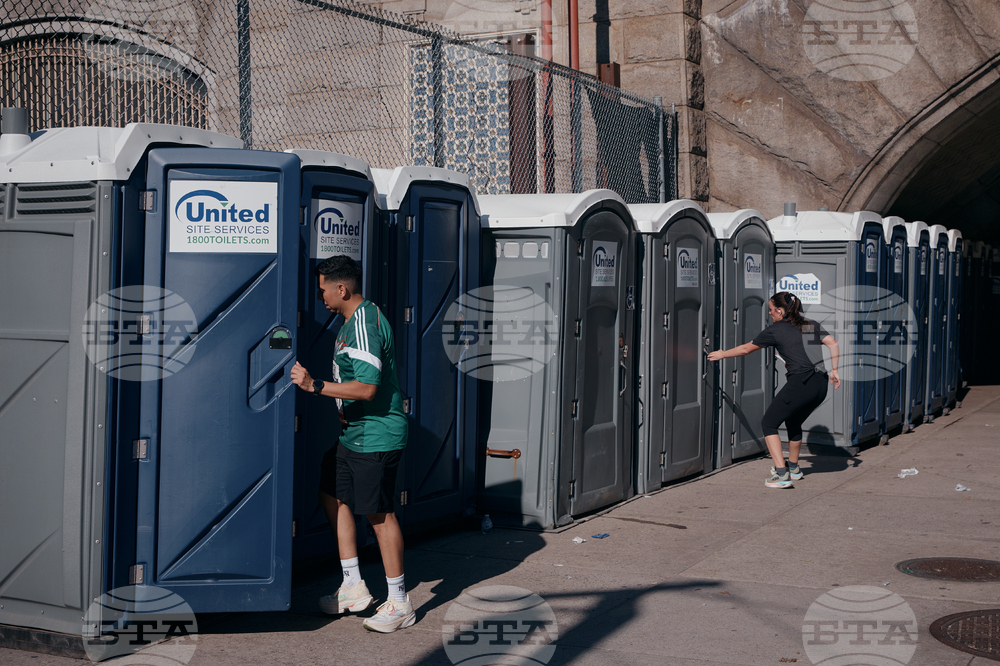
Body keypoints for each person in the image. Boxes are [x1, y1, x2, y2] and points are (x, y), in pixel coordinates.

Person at [290, 255, 414, 633]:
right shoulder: (353, 320)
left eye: (322, 288)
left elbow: (367, 387)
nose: (320, 295)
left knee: (379, 514)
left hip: (376, 435)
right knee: (332, 494)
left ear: (341, 289)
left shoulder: (363, 325)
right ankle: (353, 585)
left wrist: (316, 386)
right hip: (354, 434)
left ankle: (399, 602)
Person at [708, 291, 840, 489]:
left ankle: (781, 474)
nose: (770, 314)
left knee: (769, 423)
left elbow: (746, 349)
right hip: (820, 384)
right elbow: (833, 344)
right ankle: (793, 468)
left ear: (780, 310)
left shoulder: (776, 330)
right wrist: (835, 370)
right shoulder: (810, 324)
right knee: (793, 420)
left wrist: (722, 354)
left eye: (771, 310)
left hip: (801, 383)